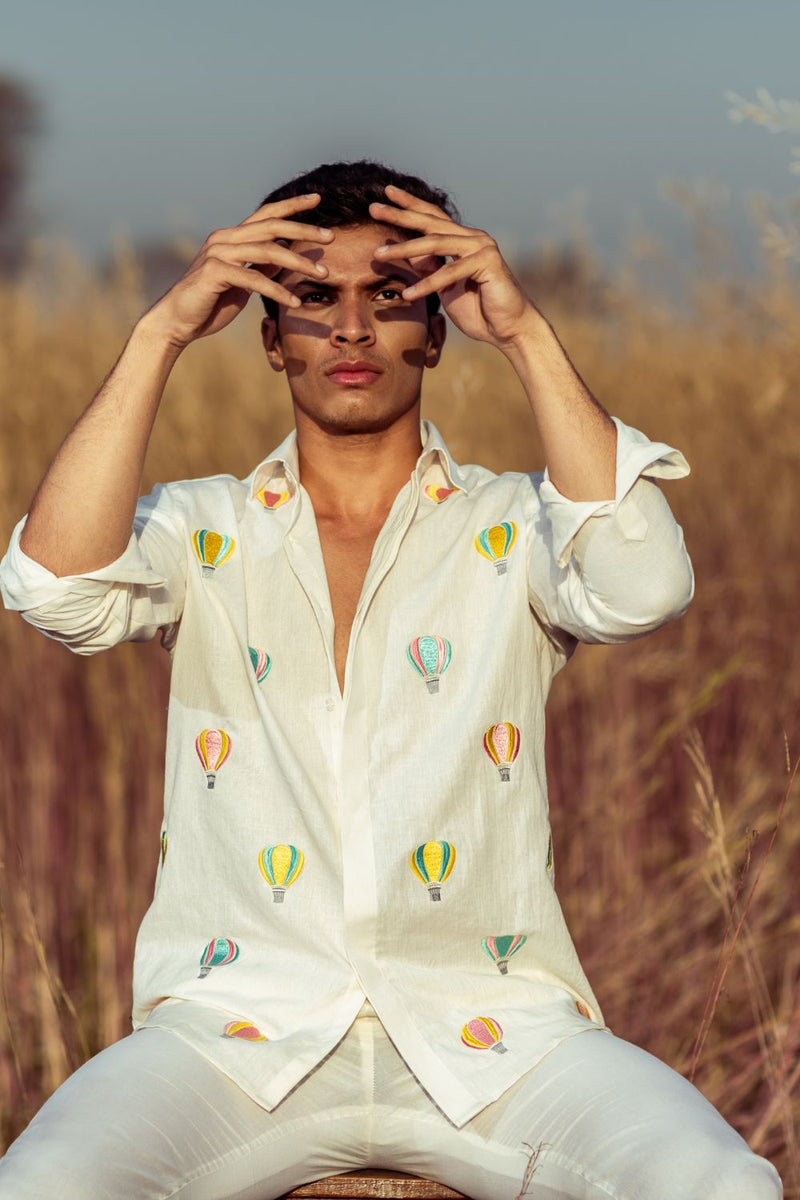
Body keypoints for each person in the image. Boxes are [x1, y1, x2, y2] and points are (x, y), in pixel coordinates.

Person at [0, 160, 782, 1199]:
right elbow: (55, 590)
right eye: (313, 300)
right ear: (269, 337)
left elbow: (641, 586)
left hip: (490, 1036)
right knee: (41, 1185)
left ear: (437, 328)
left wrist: (523, 332)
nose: (354, 331)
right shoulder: (200, 528)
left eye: (391, 299)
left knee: (722, 1186)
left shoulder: (513, 525)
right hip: (237, 1038)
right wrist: (161, 335)